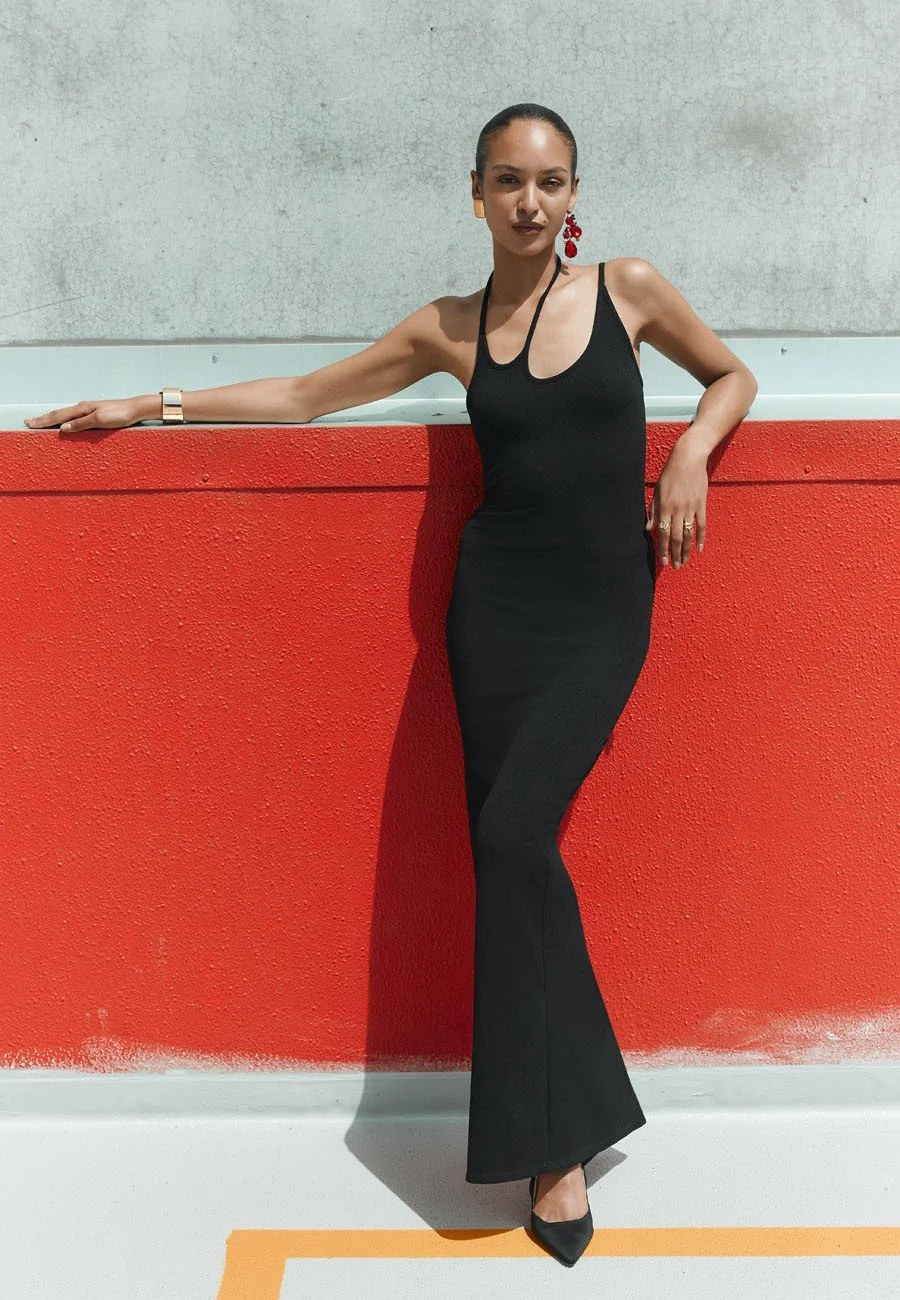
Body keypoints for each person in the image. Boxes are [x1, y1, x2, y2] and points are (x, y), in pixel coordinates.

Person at [24, 102, 758, 1267]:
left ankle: (562, 1132)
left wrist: (686, 455)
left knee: (515, 837)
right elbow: (308, 398)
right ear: (474, 193)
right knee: (512, 848)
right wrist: (145, 403)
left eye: (553, 181)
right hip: (493, 612)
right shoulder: (449, 328)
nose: (532, 202)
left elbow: (731, 376)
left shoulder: (631, 290)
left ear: (577, 195)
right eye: (509, 181)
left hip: (601, 608)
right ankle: (562, 1140)